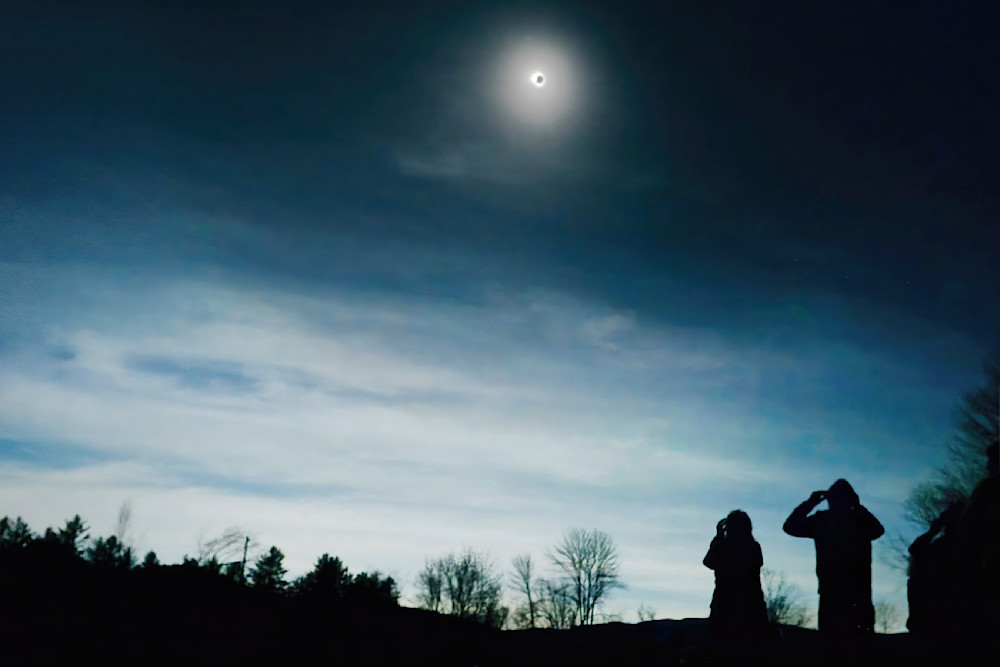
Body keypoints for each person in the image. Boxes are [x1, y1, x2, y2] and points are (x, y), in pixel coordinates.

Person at [783, 480, 883, 665]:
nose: (835, 502)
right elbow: (790, 527)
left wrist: (812, 502)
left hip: (853, 594)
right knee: (836, 649)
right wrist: (811, 503)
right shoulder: (824, 520)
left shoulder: (853, 520)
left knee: (856, 649)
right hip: (837, 593)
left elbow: (878, 530)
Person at [703, 510, 769, 664]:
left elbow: (709, 562)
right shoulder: (753, 546)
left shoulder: (723, 546)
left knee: (722, 650)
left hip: (726, 603)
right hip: (750, 604)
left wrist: (718, 537)